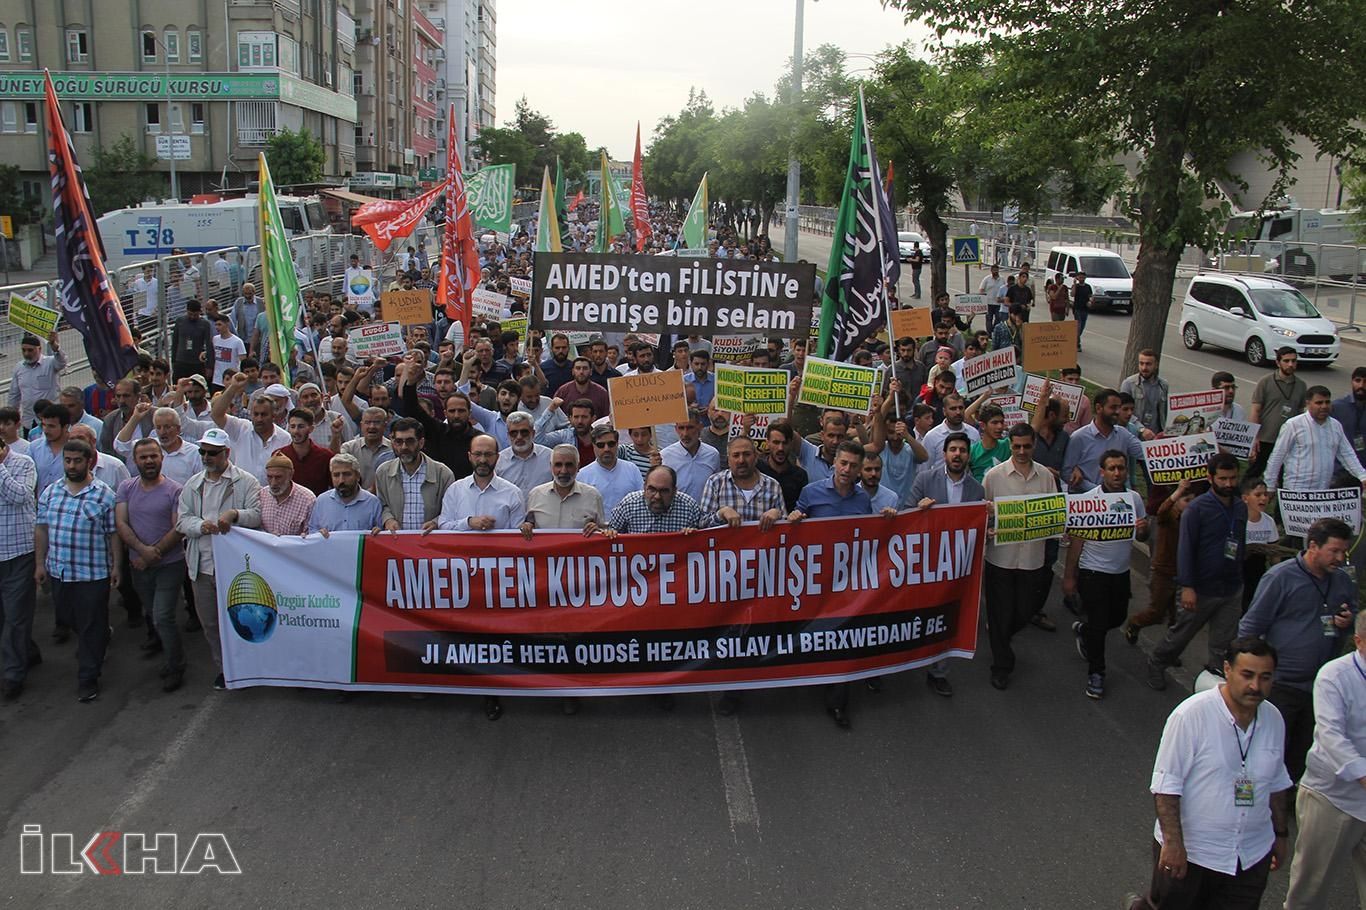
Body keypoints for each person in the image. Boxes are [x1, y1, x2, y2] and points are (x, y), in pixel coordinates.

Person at [1128, 638, 1293, 910]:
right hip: (1194, 855)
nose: (1256, 686)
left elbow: (1276, 781)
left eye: (1265, 677)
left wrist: (1280, 834)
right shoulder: (1191, 716)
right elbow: (1166, 786)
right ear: (1228, 670)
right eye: (1247, 675)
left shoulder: (1273, 718)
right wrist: (1173, 844)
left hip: (1250, 856)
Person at [1239, 518, 1356, 788]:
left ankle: (1289, 798)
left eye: (1344, 552)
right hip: (1282, 684)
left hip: (1320, 685)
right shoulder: (1280, 577)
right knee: (1270, 749)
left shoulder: (1342, 580)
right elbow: (1251, 627)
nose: (1340, 558)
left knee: (1304, 749)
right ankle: (1260, 799)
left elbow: (1351, 613)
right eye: (1334, 551)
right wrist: (1251, 676)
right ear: (1313, 546)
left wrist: (1346, 621)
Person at [789, 441, 898, 727]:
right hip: (816, 582)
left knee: (843, 638)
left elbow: (870, 538)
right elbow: (795, 527)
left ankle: (838, 702)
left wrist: (886, 522)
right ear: (834, 463)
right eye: (843, 463)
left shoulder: (863, 500)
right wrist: (795, 518)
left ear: (860, 469)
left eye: (853, 466)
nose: (847, 470)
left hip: (848, 584)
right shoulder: (810, 493)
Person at [1283, 610, 1366, 909]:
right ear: (1359, 642)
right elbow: (1332, 736)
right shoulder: (1334, 676)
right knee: (1310, 891)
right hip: (1333, 799)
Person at [1148, 452, 1247, 691]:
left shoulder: (1241, 508)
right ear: (1210, 477)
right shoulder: (1197, 509)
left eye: (1232, 478)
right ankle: (1158, 661)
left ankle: (1215, 684)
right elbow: (1185, 549)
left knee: (1223, 644)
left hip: (1230, 587)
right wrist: (1188, 586)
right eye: (1223, 478)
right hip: (1200, 587)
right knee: (1181, 634)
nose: (1228, 484)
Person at [34, 439, 121, 703]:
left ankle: (88, 678)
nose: (71, 466)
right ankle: (100, 636)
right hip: (60, 572)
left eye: (77, 461)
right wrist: (40, 563)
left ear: (90, 461)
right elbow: (41, 529)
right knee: (69, 619)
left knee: (90, 625)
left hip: (92, 574)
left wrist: (117, 566)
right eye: (68, 461)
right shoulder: (51, 492)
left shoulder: (104, 494)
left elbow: (113, 534)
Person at [176, 427, 262, 690]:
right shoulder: (194, 484)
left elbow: (257, 515)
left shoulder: (246, 482)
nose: (206, 457)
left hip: (236, 567)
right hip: (202, 566)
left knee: (243, 619)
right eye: (203, 452)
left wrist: (235, 514)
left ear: (226, 453)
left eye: (212, 453)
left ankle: (252, 666)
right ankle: (225, 669)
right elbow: (182, 520)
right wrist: (201, 526)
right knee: (211, 624)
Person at [1063, 449, 1149, 699]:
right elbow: (1076, 542)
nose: (1117, 473)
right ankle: (1096, 672)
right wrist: (1070, 576)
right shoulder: (1089, 500)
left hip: (1120, 573)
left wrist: (1143, 530)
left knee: (1117, 618)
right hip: (1093, 573)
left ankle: (1085, 631)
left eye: (1121, 468)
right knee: (1100, 625)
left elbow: (1142, 536)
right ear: (1102, 472)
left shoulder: (1134, 499)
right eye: (1111, 468)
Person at [981, 425, 1059, 691]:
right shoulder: (994, 477)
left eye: (1027, 446)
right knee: (1000, 614)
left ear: (1034, 444)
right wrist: (989, 518)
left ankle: (1002, 638)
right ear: (1010, 445)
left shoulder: (1046, 476)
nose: (1022, 451)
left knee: (1024, 612)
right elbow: (981, 515)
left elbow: (1053, 514)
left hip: (1032, 560)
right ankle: (1001, 665)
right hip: (1000, 559)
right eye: (1017, 447)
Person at [115, 438, 186, 692]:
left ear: (161, 458)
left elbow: (178, 527)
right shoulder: (126, 487)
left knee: (163, 615)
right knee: (151, 611)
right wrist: (142, 552)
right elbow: (121, 523)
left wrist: (152, 553)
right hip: (138, 565)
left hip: (170, 564)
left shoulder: (175, 490)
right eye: (143, 457)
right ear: (135, 461)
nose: (149, 461)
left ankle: (175, 665)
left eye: (153, 456)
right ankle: (159, 642)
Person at [1123, 479, 1199, 645]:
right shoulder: (1167, 517)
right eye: (1186, 501)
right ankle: (1135, 622)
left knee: (1177, 617)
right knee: (1157, 613)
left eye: (1193, 501)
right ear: (1176, 501)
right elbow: (1163, 510)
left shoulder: (1194, 520)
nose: (1191, 505)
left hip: (1182, 574)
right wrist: (1178, 491)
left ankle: (1170, 647)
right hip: (1163, 573)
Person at [1264, 385, 1366, 496]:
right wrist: (1270, 485)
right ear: (1308, 404)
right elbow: (1278, 455)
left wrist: (1362, 476)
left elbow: (1347, 454)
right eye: (1319, 403)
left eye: (1327, 402)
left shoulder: (1335, 426)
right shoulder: (1293, 425)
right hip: (1296, 491)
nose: (1324, 406)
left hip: (1322, 492)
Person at [0, 435, 37, 701]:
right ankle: (28, 652)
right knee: (6, 618)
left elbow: (20, 496)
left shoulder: (23, 463)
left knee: (15, 616)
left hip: (18, 552)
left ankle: (13, 673)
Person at [374, 418, 454, 533]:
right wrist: (388, 519)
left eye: (410, 441)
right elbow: (381, 504)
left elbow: (450, 510)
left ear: (421, 443)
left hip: (430, 542)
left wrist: (436, 522)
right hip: (396, 541)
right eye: (399, 442)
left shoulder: (443, 473)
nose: (404, 447)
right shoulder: (383, 472)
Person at [211, 373, 291, 484]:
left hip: (271, 496)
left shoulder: (285, 438)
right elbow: (216, 414)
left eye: (264, 414)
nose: (259, 419)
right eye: (256, 414)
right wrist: (233, 387)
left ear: (273, 416)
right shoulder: (241, 428)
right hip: (241, 493)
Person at [1061, 388, 1146, 493]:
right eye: (1113, 407)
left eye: (1119, 407)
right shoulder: (1079, 437)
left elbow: (1146, 453)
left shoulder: (1123, 434)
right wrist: (1098, 491)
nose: (1118, 412)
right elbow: (1066, 472)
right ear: (1098, 408)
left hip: (1117, 498)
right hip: (1088, 500)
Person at [436, 434, 525, 533]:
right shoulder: (455, 490)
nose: (483, 460)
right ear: (469, 456)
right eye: (477, 454)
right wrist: (468, 523)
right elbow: (443, 526)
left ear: (497, 457)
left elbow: (517, 536)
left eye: (488, 454)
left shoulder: (513, 493)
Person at [1249, 347, 1306, 478]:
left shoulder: (1301, 385)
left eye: (1294, 361)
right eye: (1286, 361)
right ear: (1278, 362)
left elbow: (1300, 412)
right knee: (1255, 472)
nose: (1290, 364)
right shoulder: (1265, 382)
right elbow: (1256, 410)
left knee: (1284, 475)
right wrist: (1255, 437)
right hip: (1265, 438)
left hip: (1288, 440)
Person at [307, 454, 383, 535]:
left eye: (347, 474)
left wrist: (378, 532)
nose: (341, 480)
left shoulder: (373, 503)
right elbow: (312, 530)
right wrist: (318, 534)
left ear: (357, 476)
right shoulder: (321, 501)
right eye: (336, 475)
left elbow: (382, 534)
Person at [577, 425, 643, 514]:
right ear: (593, 446)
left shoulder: (632, 469)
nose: (606, 449)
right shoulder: (582, 475)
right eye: (601, 445)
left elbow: (642, 502)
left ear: (617, 444)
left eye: (611, 444)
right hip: (598, 526)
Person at [271, 409, 335, 496]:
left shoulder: (326, 456)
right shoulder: (279, 455)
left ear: (311, 429)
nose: (296, 431)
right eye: (292, 426)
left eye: (301, 426)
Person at [9, 332, 66, 428]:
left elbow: (62, 362)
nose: (26, 353)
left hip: (51, 420)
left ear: (39, 349)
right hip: (29, 421)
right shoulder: (19, 368)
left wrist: (55, 348)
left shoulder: (50, 362)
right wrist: (11, 417)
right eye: (24, 350)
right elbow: (14, 395)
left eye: (30, 350)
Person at [661, 416, 721, 503]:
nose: (685, 433)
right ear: (676, 429)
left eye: (690, 428)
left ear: (700, 427)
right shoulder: (665, 456)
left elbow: (717, 485)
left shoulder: (713, 454)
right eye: (681, 428)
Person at [757, 419, 809, 512]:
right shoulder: (756, 469)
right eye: (776, 442)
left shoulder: (800, 476)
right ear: (767, 443)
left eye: (785, 443)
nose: (780, 448)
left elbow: (804, 508)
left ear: (791, 443)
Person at [258, 455, 316, 536]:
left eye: (278, 477)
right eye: (269, 477)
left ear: (291, 475)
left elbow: (312, 532)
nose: (273, 483)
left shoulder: (307, 499)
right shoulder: (262, 495)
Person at [340, 406, 394, 489]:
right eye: (367, 422)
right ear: (361, 425)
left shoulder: (393, 450)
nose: (372, 426)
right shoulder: (349, 448)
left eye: (377, 422)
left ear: (385, 425)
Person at [1120, 349, 1169, 437]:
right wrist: (1142, 429)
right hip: (1133, 434)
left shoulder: (1163, 385)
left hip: (1155, 436)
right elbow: (1122, 411)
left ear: (1156, 365)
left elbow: (1164, 412)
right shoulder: (1129, 384)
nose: (1144, 368)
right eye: (1141, 363)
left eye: (1148, 364)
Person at [1330, 365, 1366, 487]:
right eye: (1358, 381)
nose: (1361, 386)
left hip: (1361, 472)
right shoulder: (1337, 407)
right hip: (1338, 471)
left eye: (1365, 382)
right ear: (1352, 381)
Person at [170, 299, 213, 381]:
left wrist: (209, 366)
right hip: (181, 362)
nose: (192, 317)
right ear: (187, 311)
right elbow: (175, 342)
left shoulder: (205, 324)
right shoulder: (180, 321)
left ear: (200, 312)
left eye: (195, 315)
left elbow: (209, 345)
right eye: (190, 314)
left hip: (197, 363)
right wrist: (173, 361)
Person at [968, 404, 1010, 482]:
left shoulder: (1008, 445)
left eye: (1001, 422)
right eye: (995, 423)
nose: (1000, 426)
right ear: (982, 425)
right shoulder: (972, 451)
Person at [1071, 272, 1091, 350]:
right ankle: (1077, 343)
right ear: (1077, 278)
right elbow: (1072, 294)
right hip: (1077, 309)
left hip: (1085, 309)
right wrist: (1075, 284)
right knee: (1078, 327)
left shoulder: (1088, 287)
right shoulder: (1076, 286)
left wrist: (1091, 301)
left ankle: (1076, 340)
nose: (1081, 279)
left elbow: (1090, 296)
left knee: (1082, 327)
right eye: (1080, 277)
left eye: (1083, 277)